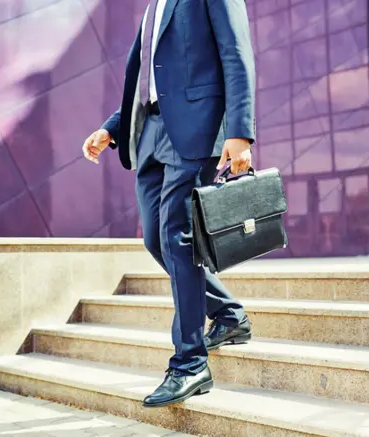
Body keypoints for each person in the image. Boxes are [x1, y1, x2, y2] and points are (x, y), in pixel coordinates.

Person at [81, 0, 255, 408]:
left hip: (196, 130)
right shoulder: (153, 7)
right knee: (157, 241)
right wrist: (112, 129)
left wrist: (240, 131)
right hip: (149, 134)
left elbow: (236, 52)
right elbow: (149, 81)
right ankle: (229, 315)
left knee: (178, 239)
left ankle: (190, 363)